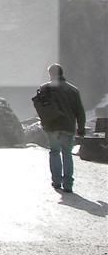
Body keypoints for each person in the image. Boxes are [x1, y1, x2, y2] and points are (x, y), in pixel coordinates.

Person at [33, 64, 86, 193]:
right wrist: (81, 128)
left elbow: (40, 108)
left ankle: (56, 182)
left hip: (51, 126)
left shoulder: (44, 88)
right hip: (68, 126)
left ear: (51, 74)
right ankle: (68, 184)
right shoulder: (73, 90)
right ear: (62, 73)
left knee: (54, 152)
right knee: (67, 154)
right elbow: (80, 111)